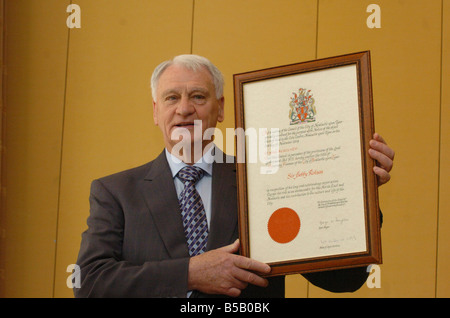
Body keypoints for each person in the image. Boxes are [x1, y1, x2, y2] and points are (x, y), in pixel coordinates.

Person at [74, 54, 394, 298]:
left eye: (198, 96)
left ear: (221, 108)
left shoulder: (265, 181)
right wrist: (188, 273)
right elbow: (88, 282)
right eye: (172, 97)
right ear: (155, 111)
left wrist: (360, 189)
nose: (185, 109)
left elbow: (344, 281)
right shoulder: (115, 192)